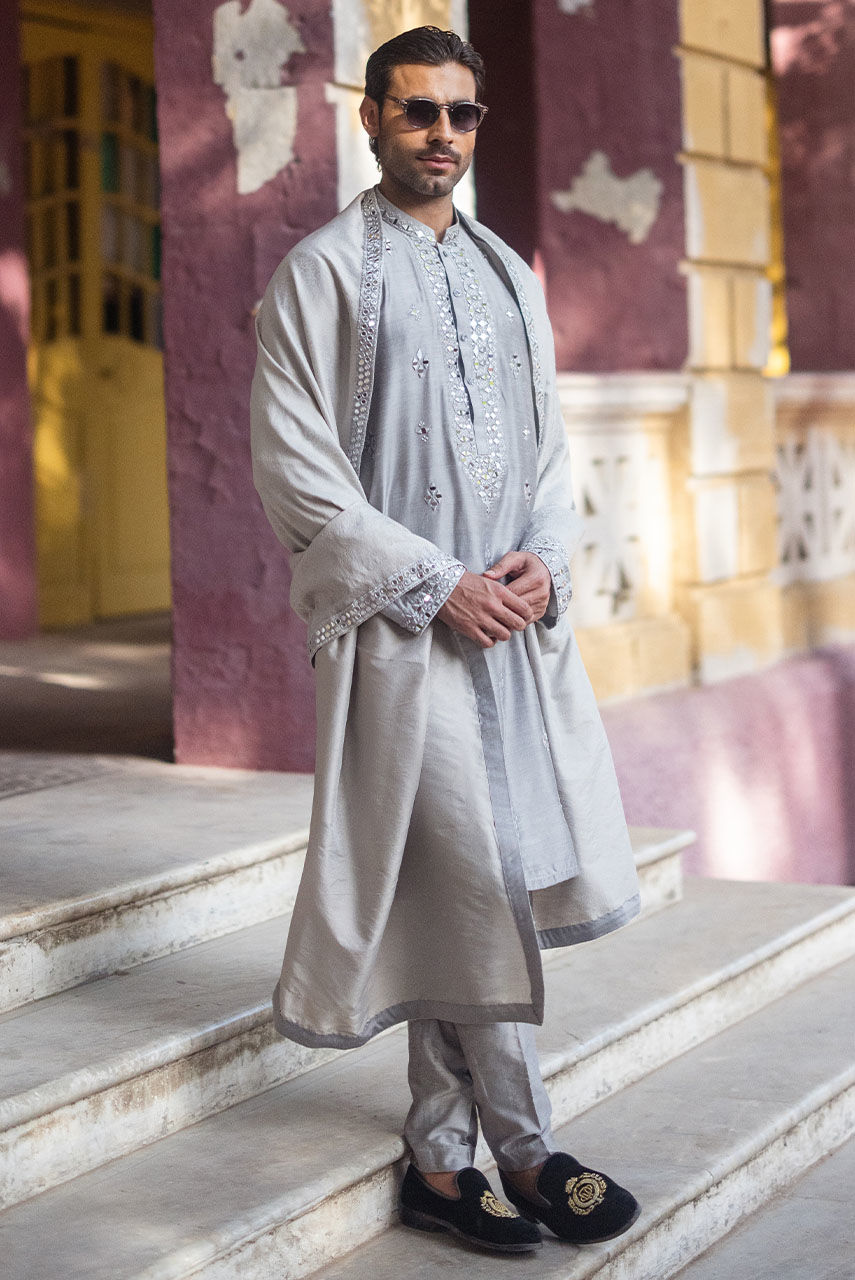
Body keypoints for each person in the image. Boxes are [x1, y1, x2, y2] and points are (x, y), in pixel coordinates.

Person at [250, 25, 641, 1257]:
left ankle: (439, 1152)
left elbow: (546, 451)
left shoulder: (508, 274)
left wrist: (543, 561)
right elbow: (297, 471)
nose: (441, 133)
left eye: (461, 113)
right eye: (416, 109)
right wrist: (435, 583)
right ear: (369, 117)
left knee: (463, 883)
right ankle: (524, 1147)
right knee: (471, 875)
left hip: (510, 634)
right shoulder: (320, 274)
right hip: (403, 636)